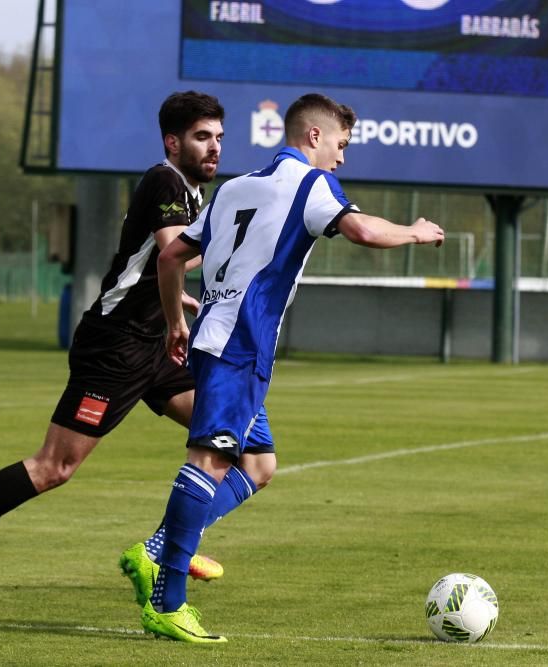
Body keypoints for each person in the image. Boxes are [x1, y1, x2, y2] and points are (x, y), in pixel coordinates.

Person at [0, 91, 277, 604]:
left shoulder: (191, 192)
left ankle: (169, 545)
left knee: (240, 450)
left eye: (219, 138)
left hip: (158, 345)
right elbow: (171, 252)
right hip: (117, 347)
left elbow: (158, 263)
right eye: (202, 137)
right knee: (54, 467)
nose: (214, 148)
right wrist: (181, 306)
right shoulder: (165, 180)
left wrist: (175, 300)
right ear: (173, 141)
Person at [144, 93, 446, 643]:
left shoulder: (234, 187)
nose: (342, 157)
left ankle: (163, 547)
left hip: (217, 337)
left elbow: (169, 257)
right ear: (314, 137)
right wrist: (416, 231)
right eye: (341, 144)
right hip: (241, 345)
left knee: (260, 464)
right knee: (208, 460)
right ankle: (167, 597)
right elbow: (364, 231)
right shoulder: (311, 186)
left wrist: (174, 323)